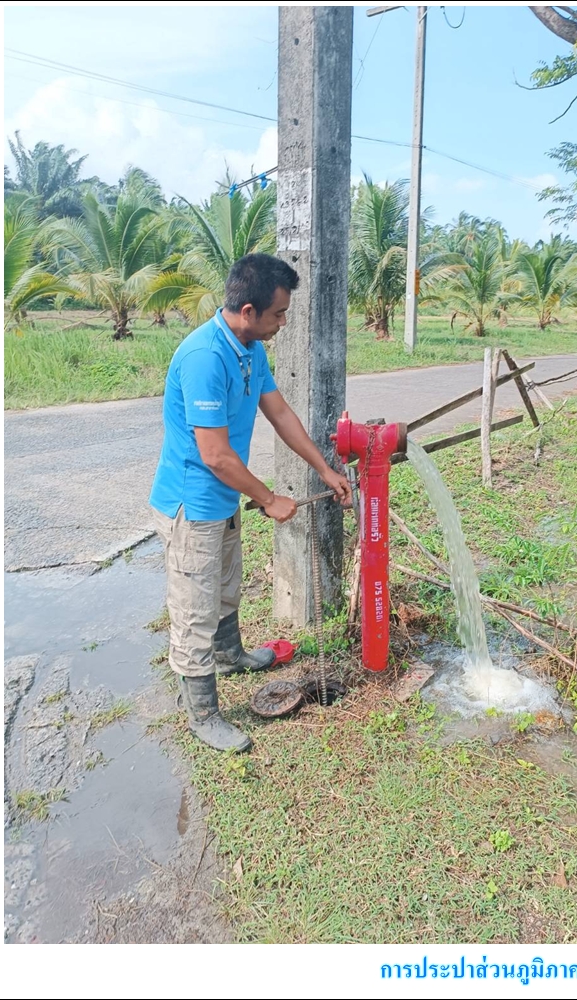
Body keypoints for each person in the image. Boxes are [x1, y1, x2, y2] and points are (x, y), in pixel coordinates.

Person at [149, 253, 351, 753]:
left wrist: (323, 468)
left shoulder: (249, 348)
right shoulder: (204, 358)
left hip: (221, 502)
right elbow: (215, 455)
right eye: (278, 314)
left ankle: (231, 654)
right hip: (191, 504)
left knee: (224, 586)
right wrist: (267, 499)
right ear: (247, 309)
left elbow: (279, 413)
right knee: (193, 610)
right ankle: (204, 714)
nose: (283, 323)